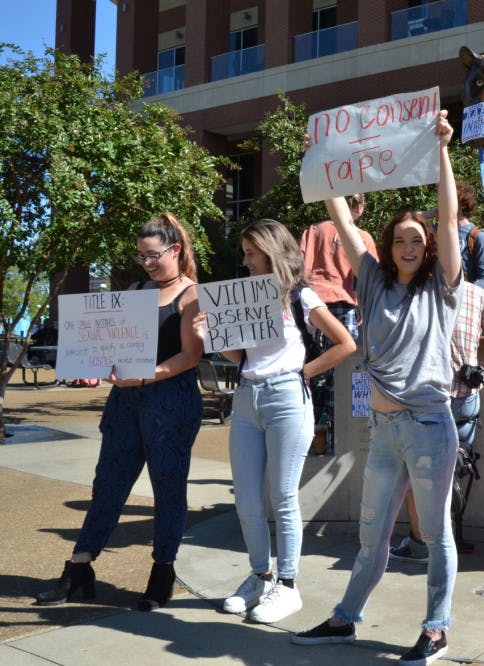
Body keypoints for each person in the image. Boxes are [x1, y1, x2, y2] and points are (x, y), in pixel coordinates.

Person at [292, 110, 461, 666]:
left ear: (429, 246)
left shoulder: (442, 285)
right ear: (386, 246)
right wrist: (324, 157)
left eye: (419, 238)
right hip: (384, 430)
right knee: (372, 537)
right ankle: (345, 618)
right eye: (401, 239)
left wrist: (441, 149)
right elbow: (338, 214)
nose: (410, 245)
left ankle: (436, 629)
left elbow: (449, 214)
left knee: (435, 537)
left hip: (431, 426)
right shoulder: (370, 279)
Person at [35, 212, 205, 611]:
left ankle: (162, 569)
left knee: (167, 488)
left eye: (153, 255)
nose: (146, 263)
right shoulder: (135, 290)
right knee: (107, 483)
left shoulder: (192, 294)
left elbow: (191, 357)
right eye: (141, 257)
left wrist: (145, 377)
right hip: (126, 402)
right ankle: (79, 568)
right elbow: (112, 343)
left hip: (171, 402)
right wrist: (95, 366)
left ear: (175, 250)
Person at [216, 219, 355, 624]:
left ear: (271, 251)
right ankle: (260, 576)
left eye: (250, 253)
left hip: (286, 398)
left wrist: (304, 373)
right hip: (247, 396)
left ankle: (288, 585)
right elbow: (242, 359)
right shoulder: (245, 297)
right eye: (244, 253)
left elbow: (346, 343)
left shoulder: (300, 296)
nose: (245, 261)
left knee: (282, 495)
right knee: (246, 497)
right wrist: (217, 338)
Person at [388, 279, 484, 562]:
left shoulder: (418, 292)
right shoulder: (478, 294)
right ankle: (449, 540)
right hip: (466, 394)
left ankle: (421, 543)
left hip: (425, 395)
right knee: (456, 469)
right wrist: (472, 342)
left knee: (414, 470)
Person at [300, 193, 378, 453]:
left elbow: (300, 270)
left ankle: (313, 438)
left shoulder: (315, 230)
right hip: (345, 307)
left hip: (313, 308)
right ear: (359, 205)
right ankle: (336, 439)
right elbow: (371, 280)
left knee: (313, 373)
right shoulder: (363, 237)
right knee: (342, 377)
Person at [418, 179, 484, 290]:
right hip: (436, 300)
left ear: (462, 205)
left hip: (463, 302)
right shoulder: (435, 231)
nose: (441, 203)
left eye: (446, 199)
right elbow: (404, 219)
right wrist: (430, 213)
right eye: (440, 200)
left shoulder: (478, 237)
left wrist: (460, 293)